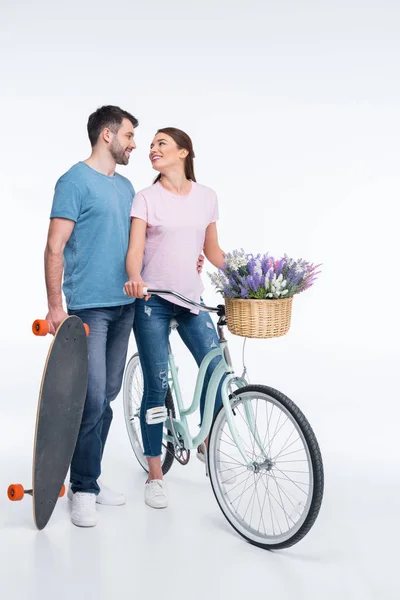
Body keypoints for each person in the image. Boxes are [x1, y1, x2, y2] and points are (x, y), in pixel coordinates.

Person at [45, 108, 204, 527]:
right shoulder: (73, 182)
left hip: (126, 306)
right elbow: (54, 247)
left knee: (110, 395)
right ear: (106, 134)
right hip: (89, 308)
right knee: (92, 397)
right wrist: (55, 307)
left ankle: (90, 479)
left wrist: (191, 258)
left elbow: (146, 244)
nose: (135, 143)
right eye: (130, 135)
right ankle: (82, 487)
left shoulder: (127, 187)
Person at [124, 127, 228, 509]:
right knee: (156, 384)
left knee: (215, 369)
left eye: (160, 144)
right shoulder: (146, 198)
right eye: (150, 145)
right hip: (151, 300)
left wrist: (245, 276)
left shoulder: (206, 198)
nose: (152, 149)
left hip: (190, 299)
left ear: (184, 152)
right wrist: (135, 277)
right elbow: (135, 251)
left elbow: (213, 250)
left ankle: (204, 442)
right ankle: (155, 473)